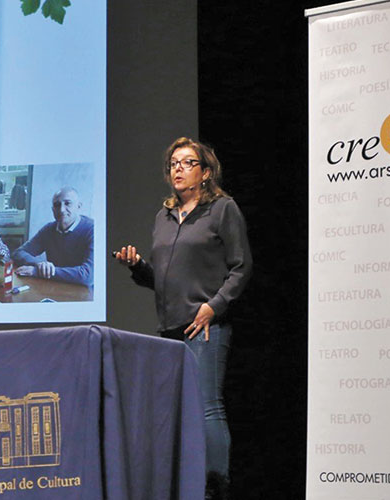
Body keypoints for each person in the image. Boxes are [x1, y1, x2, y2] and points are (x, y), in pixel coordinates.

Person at [115, 137, 252, 494]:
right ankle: (185, 483)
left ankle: (216, 487)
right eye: (174, 163)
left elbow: (241, 268)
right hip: (170, 328)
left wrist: (213, 306)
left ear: (205, 173)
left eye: (187, 163)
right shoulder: (164, 217)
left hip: (205, 324)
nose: (178, 168)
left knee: (207, 408)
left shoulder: (222, 209)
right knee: (177, 411)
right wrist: (137, 265)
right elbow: (160, 280)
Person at [12, 187, 94, 287]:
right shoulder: (48, 230)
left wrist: (38, 271)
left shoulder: (92, 229)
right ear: (52, 210)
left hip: (83, 293)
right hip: (54, 287)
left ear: (79, 206)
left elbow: (87, 276)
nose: (62, 209)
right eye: (57, 205)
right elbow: (18, 253)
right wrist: (39, 264)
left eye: (67, 203)